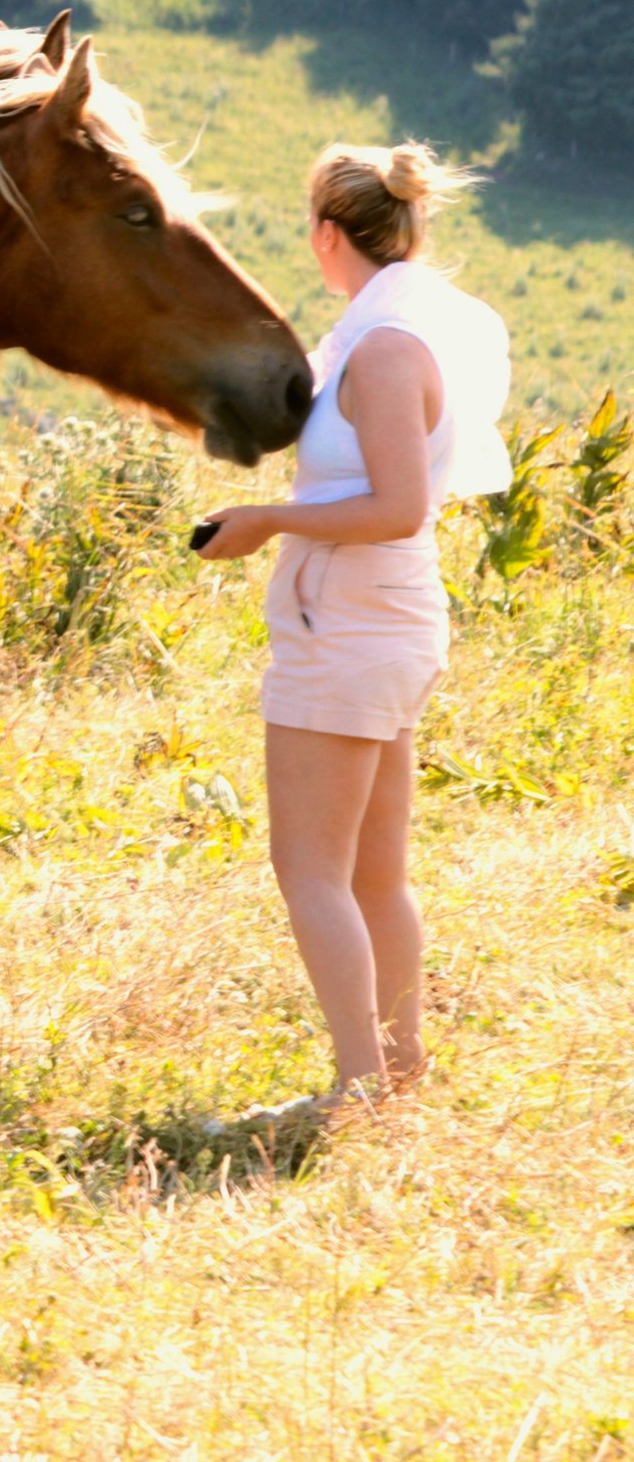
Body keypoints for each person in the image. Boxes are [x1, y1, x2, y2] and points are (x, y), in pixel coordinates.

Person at [197, 141, 510, 1109]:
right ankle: (398, 1065)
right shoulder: (395, 332)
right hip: (386, 614)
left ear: (329, 234)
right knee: (375, 870)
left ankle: (354, 1086)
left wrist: (266, 522)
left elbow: (396, 506)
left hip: (351, 617)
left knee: (311, 871)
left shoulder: (380, 352)